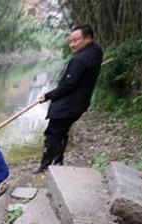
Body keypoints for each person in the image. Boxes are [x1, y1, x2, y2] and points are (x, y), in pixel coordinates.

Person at [34, 23, 103, 173]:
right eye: (70, 41)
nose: (72, 44)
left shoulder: (79, 60)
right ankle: (57, 162)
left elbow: (68, 85)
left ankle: (46, 166)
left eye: (76, 40)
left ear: (88, 38)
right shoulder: (96, 52)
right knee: (61, 132)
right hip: (80, 103)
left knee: (53, 133)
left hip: (68, 105)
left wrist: (47, 95)